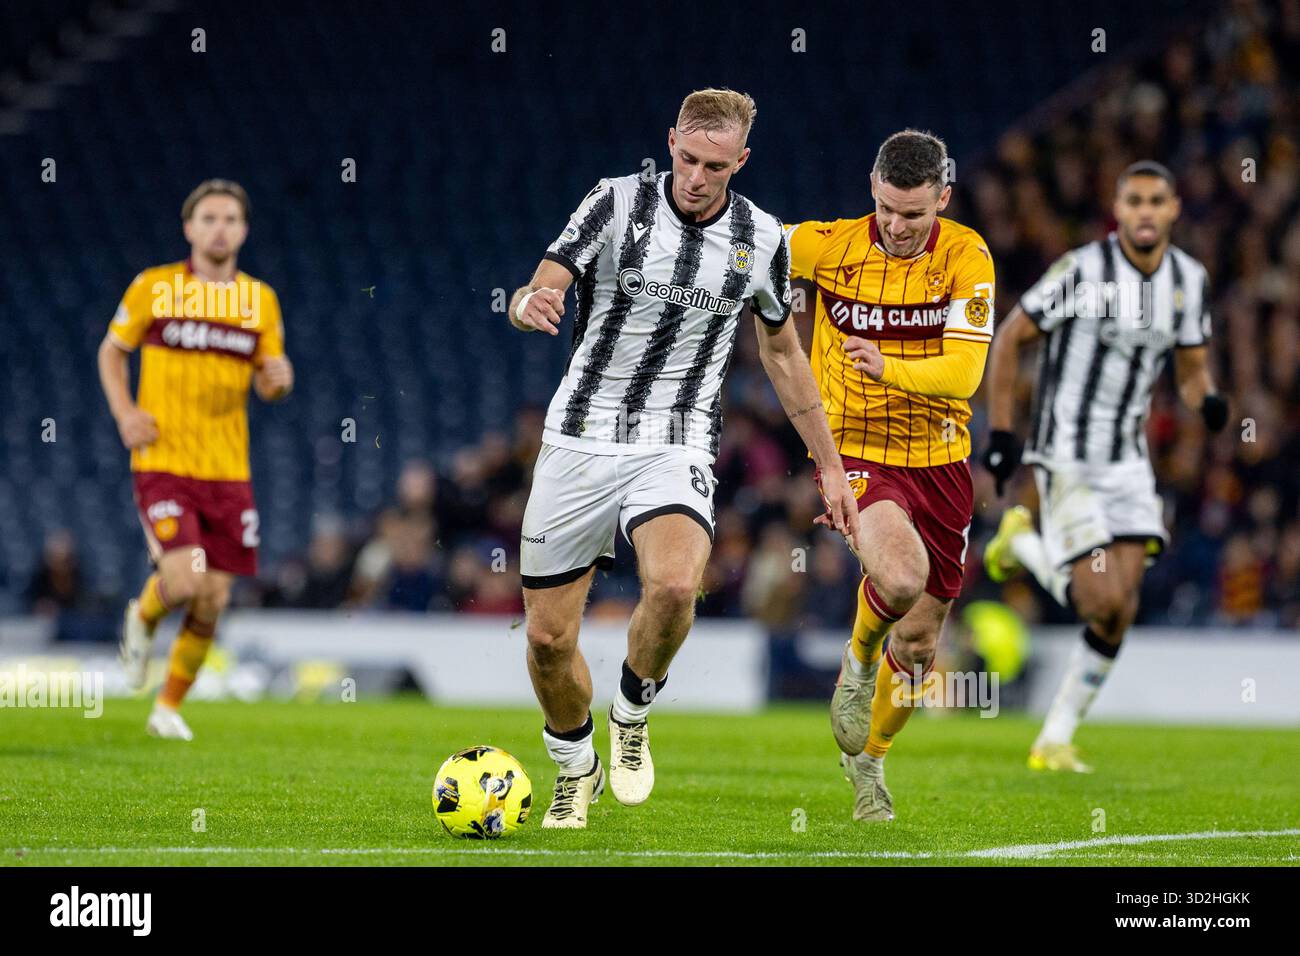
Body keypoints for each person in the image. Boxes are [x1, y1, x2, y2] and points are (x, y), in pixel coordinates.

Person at [507, 88, 859, 829]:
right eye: (689, 158)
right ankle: (577, 766)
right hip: (579, 432)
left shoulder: (763, 238)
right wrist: (526, 303)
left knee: (672, 586)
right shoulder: (613, 202)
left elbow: (785, 355)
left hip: (676, 436)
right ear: (670, 142)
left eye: (716, 165)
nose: (698, 176)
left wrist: (828, 465)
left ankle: (632, 709)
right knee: (546, 639)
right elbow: (549, 276)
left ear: (742, 161)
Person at [981, 161, 1226, 772]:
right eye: (1134, 200)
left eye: (1156, 201)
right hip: (1067, 455)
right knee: (1099, 599)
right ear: (1118, 209)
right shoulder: (1084, 271)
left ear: (1173, 210)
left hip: (1128, 462)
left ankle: (1053, 739)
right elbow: (1010, 336)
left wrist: (1210, 402)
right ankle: (1027, 546)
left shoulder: (1188, 281)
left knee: (1122, 609)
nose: (1145, 211)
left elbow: (1193, 370)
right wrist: (1005, 431)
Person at [787, 129, 996, 821]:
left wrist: (889, 364)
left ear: (944, 196)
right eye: (887, 209)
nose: (899, 226)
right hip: (856, 451)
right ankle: (855, 661)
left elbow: (965, 373)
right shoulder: (823, 245)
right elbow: (735, 242)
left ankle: (869, 763)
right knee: (900, 579)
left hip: (941, 460)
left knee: (921, 643)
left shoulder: (969, 257)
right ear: (871, 192)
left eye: (914, 213)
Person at [99, 179, 292, 740]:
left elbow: (269, 383)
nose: (219, 228)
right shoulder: (154, 288)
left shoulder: (261, 300)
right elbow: (112, 351)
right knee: (183, 582)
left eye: (230, 219)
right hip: (163, 460)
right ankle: (141, 615)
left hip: (229, 470)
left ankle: (167, 708)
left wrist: (279, 380)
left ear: (244, 230)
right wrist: (124, 413)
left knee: (214, 595)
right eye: (208, 218)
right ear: (188, 228)